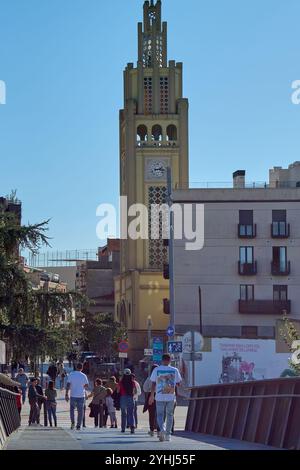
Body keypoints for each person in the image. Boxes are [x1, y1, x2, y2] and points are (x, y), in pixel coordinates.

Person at [149, 353, 182, 442]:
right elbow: (179, 383)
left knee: (159, 415)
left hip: (159, 396)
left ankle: (162, 430)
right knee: (170, 415)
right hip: (171, 396)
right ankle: (168, 435)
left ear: (162, 360)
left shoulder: (156, 369)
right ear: (170, 360)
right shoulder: (174, 370)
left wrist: (152, 395)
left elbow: (153, 383)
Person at [65, 363, 89, 431]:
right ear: (82, 368)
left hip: (73, 395)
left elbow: (68, 384)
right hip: (81, 395)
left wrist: (66, 394)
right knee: (80, 411)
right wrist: (82, 387)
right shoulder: (84, 376)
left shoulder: (71, 374)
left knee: (72, 410)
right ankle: (78, 425)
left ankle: (73, 422)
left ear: (76, 367)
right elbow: (87, 385)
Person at [117, 368, 137, 434]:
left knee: (123, 413)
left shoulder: (121, 382)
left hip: (123, 398)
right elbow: (135, 391)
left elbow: (118, 391)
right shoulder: (133, 382)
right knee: (131, 413)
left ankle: (123, 428)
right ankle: (132, 427)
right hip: (130, 397)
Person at [143, 364, 159, 436]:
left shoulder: (149, 378)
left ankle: (152, 430)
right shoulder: (161, 377)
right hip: (160, 396)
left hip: (151, 395)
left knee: (151, 414)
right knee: (160, 413)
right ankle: (159, 429)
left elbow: (145, 388)